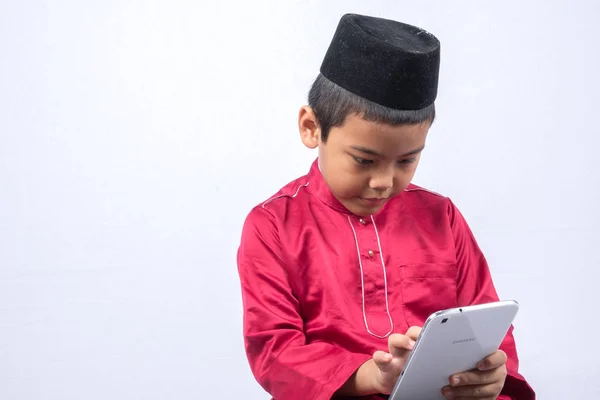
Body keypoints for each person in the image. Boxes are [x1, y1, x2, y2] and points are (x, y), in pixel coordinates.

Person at [236, 13, 535, 400]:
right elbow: (274, 354)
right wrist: (373, 378)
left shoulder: (440, 216)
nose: (384, 182)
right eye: (364, 160)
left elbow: (487, 327)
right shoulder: (273, 225)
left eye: (406, 161)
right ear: (312, 128)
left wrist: (493, 377)